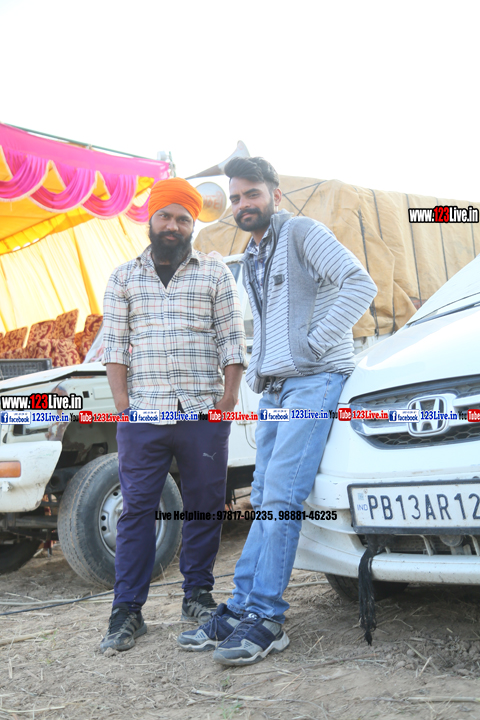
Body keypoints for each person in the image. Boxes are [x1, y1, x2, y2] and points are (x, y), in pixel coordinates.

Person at [177, 157, 377, 665]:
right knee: (264, 498)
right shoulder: (254, 252)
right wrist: (264, 369)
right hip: (276, 390)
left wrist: (313, 344)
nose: (243, 204)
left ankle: (267, 617)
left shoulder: (303, 233)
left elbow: (359, 284)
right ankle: (242, 605)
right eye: (236, 197)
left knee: (282, 499)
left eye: (252, 194)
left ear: (275, 195)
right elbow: (270, 322)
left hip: (313, 382)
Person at [100, 177, 247, 653]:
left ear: (193, 225)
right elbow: (114, 346)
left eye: (183, 219)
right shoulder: (124, 278)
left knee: (205, 506)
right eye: (165, 216)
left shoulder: (214, 273)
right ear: (151, 219)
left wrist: (228, 402)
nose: (173, 225)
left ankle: (197, 597)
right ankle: (127, 611)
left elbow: (232, 340)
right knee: (137, 512)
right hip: (143, 414)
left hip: (203, 411)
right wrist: (123, 407)